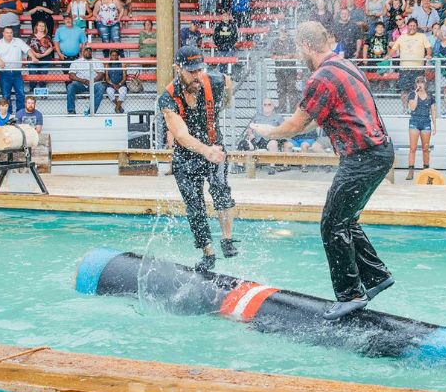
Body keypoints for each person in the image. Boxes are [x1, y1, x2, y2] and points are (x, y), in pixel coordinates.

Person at [250, 22, 394, 320]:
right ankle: (376, 276)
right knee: (346, 220)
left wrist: (270, 132)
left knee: (332, 224)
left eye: (297, 47)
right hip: (379, 153)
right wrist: (287, 129)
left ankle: (350, 294)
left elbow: (296, 125)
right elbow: (317, 118)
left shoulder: (321, 77)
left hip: (362, 157)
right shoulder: (344, 65)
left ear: (305, 45)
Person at [157, 45, 236, 271]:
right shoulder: (168, 98)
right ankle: (208, 252)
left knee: (221, 191)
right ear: (178, 69)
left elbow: (228, 82)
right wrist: (205, 150)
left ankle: (227, 239)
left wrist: (224, 102)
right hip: (186, 155)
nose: (197, 75)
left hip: (214, 146)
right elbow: (181, 135)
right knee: (194, 205)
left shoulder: (215, 81)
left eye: (199, 70)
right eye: (191, 71)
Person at [0, 26, 38, 112]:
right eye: (7, 32)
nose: (9, 34)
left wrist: (33, 57)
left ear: (13, 33)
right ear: (3, 33)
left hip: (17, 73)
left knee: (21, 94)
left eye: (11, 33)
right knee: (5, 95)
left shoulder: (18, 41)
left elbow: (28, 49)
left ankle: (20, 113)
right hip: (4, 73)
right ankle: (8, 114)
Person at [391, 17, 431, 110]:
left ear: (417, 27)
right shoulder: (402, 37)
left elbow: (428, 48)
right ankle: (405, 109)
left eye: (414, 26)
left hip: (418, 69)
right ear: (407, 26)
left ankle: (417, 109)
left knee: (419, 89)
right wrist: (388, 56)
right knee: (404, 90)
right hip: (405, 69)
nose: (412, 27)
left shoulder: (422, 36)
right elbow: (394, 49)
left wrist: (428, 54)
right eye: (410, 25)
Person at [404, 75, 437, 180]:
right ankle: (411, 171)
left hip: (426, 122)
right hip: (414, 122)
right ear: (416, 84)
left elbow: (433, 111)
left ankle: (425, 171)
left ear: (425, 84)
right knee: (412, 148)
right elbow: (413, 108)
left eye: (422, 82)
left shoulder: (430, 96)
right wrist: (416, 95)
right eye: (418, 82)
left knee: (425, 149)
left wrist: (435, 126)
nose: (420, 84)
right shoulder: (412, 94)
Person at [66, 46, 106, 114]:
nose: (88, 52)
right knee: (70, 86)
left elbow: (101, 74)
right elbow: (71, 76)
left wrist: (91, 81)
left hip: (94, 84)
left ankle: (91, 111)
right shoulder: (76, 62)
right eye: (86, 50)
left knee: (101, 87)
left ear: (91, 52)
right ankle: (71, 110)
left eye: (90, 51)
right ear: (82, 52)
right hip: (80, 84)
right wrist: (82, 80)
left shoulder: (97, 61)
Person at [105, 48, 128, 114]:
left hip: (121, 84)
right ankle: (119, 107)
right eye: (112, 55)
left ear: (118, 56)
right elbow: (107, 78)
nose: (114, 57)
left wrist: (119, 84)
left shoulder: (122, 65)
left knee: (123, 92)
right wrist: (113, 85)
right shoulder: (107, 65)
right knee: (109, 91)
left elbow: (124, 78)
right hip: (111, 84)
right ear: (110, 56)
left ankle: (116, 108)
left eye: (116, 55)